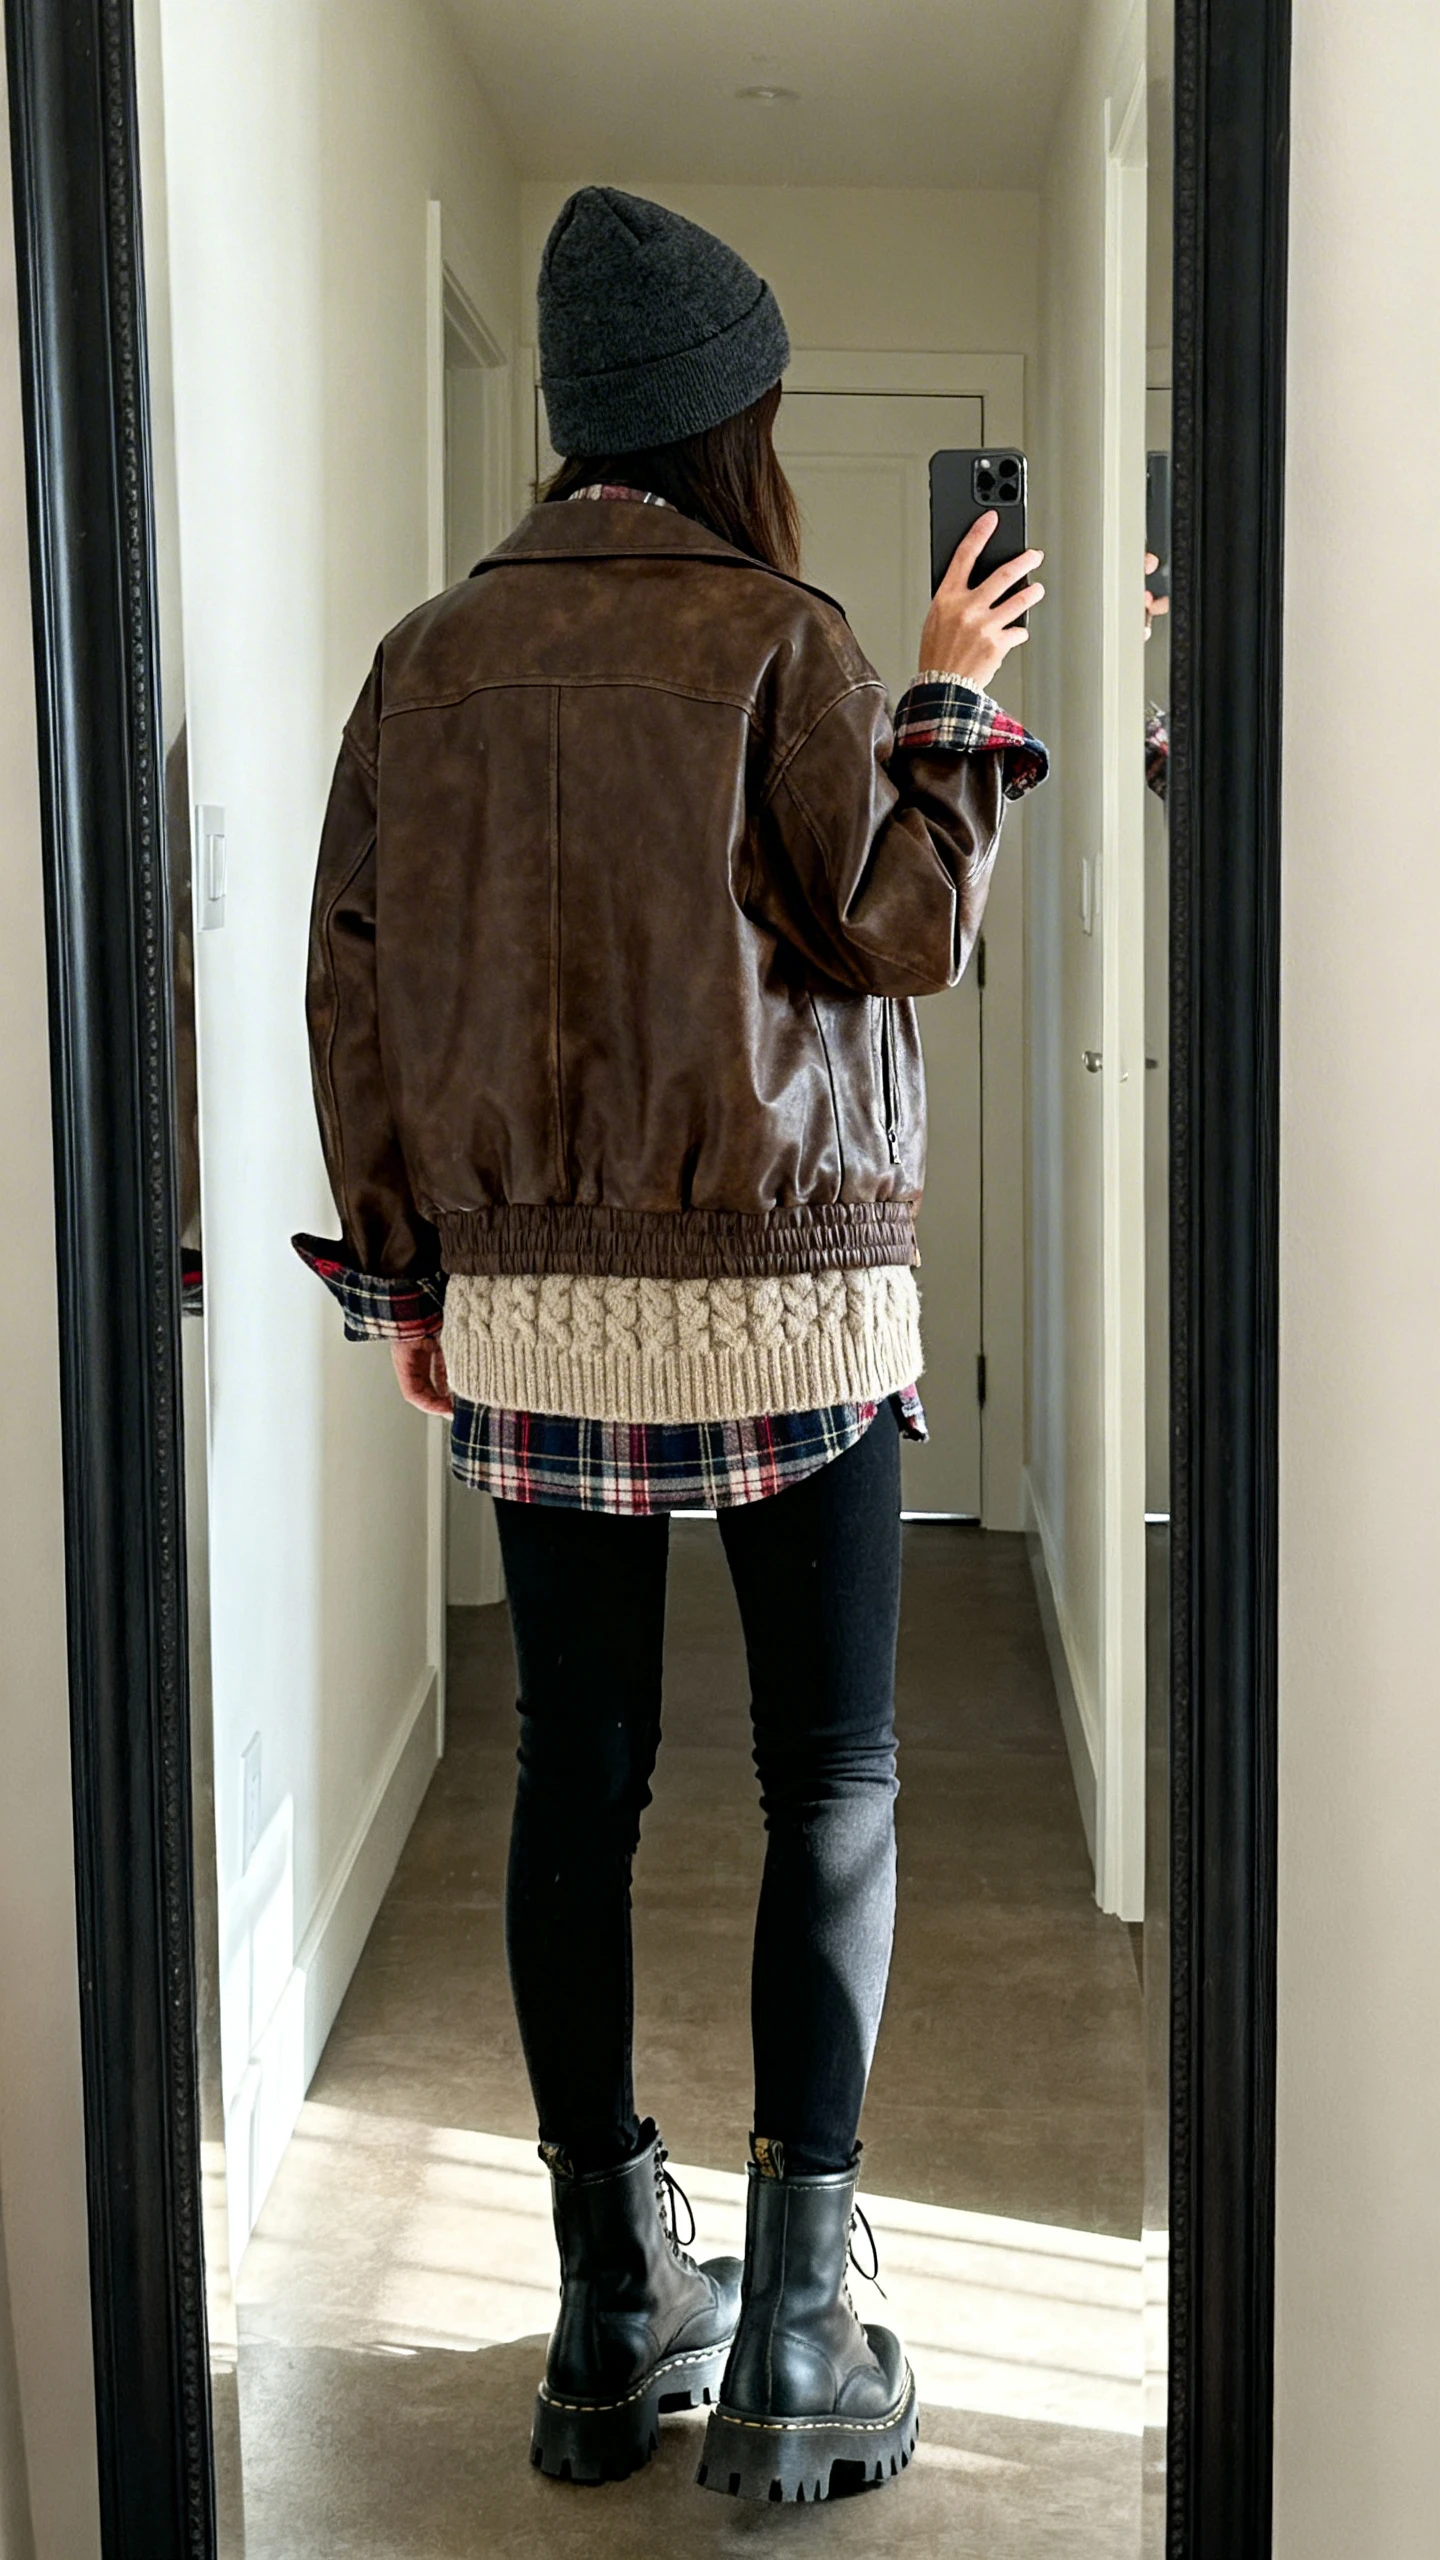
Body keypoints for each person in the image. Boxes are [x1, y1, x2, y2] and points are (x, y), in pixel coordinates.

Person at [294, 186, 1047, 2504]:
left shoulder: (426, 659)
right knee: (832, 1771)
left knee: (575, 1772)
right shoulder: (787, 636)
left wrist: (413, 1274)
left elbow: (354, 975)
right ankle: (801, 2333)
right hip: (793, 1293)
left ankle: (610, 2312)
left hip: (537, 1304)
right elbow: (899, 934)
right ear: (733, 420)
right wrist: (954, 698)